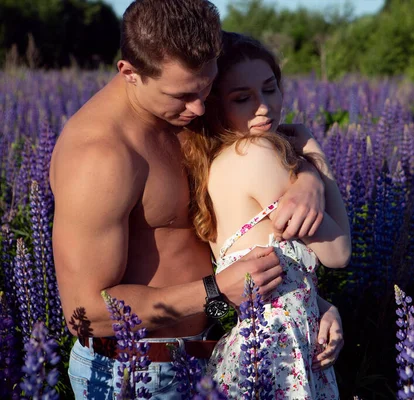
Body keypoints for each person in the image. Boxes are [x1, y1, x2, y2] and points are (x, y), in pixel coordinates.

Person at [49, 1, 343, 398]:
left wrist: (306, 179)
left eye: (207, 86)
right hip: (139, 374)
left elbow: (268, 157)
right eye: (184, 95)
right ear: (129, 72)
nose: (200, 107)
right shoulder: (101, 156)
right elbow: (86, 313)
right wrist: (215, 291)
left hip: (218, 351)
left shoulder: (183, 110)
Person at [182, 31, 351, 398]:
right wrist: (314, 155)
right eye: (242, 98)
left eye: (270, 89)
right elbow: (338, 253)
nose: (264, 107)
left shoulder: (213, 165)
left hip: (255, 350)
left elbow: (279, 277)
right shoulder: (256, 153)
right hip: (276, 351)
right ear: (214, 106)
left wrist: (323, 306)